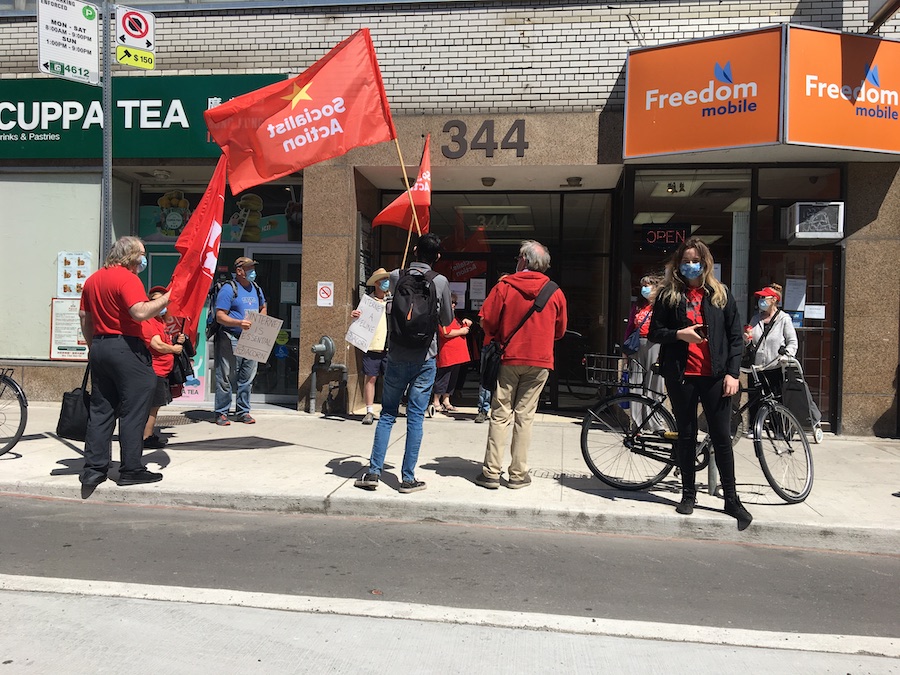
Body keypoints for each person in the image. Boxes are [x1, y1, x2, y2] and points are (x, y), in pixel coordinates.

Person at [648, 237, 752, 530]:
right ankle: (688, 494)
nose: (691, 265)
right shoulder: (669, 295)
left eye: (696, 260)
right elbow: (655, 332)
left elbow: (735, 337)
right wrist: (680, 335)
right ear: (678, 265)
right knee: (686, 435)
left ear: (705, 263)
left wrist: (733, 374)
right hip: (682, 376)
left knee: (721, 438)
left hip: (716, 377)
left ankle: (731, 499)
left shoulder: (720, 294)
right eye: (686, 261)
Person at [354, 233, 453, 493]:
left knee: (387, 414)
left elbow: (382, 294)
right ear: (438, 257)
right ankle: (407, 478)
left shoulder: (397, 276)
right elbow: (446, 321)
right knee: (416, 417)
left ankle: (374, 472)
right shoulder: (440, 281)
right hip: (425, 358)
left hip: (396, 356)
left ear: (416, 251)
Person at [474, 240, 567, 490]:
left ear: (524, 260)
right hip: (540, 361)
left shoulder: (504, 286)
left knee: (500, 413)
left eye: (518, 257)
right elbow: (560, 331)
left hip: (508, 357)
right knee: (525, 417)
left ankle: (491, 472)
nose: (516, 261)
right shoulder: (555, 292)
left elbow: (487, 322)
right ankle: (518, 474)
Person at [78, 236, 170, 487]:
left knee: (101, 409)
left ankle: (94, 468)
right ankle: (131, 468)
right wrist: (165, 299)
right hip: (126, 347)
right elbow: (139, 312)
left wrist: (92, 345)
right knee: (134, 409)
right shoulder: (128, 278)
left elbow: (84, 316)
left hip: (100, 345)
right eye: (142, 254)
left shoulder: (94, 279)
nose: (144, 259)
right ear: (130, 255)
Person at [213, 256, 267, 426]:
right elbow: (220, 316)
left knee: (247, 377)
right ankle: (222, 412)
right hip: (230, 337)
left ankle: (243, 412)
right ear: (239, 271)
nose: (253, 272)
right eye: (250, 268)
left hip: (251, 338)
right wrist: (239, 323)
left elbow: (263, 306)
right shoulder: (229, 289)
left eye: (253, 268)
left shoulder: (256, 288)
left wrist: (261, 321)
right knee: (226, 376)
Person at [745, 283, 798, 427]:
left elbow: (792, 341)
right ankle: (755, 427)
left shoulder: (784, 319)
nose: (760, 301)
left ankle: (779, 429)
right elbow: (750, 342)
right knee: (756, 398)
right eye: (759, 298)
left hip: (774, 365)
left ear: (774, 300)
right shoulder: (755, 319)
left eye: (764, 298)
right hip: (757, 367)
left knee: (775, 399)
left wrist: (787, 356)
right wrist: (747, 339)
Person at [141, 285, 187, 449]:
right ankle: (146, 437)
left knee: (155, 406)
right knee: (152, 407)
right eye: (156, 300)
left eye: (163, 301)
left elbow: (164, 342)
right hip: (154, 371)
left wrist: (176, 342)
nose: (161, 304)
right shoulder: (149, 322)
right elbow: (156, 344)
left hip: (162, 371)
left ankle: (147, 434)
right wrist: (173, 349)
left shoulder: (160, 322)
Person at [351, 267, 391, 425]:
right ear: (376, 283)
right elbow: (359, 323)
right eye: (382, 280)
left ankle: (388, 410)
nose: (386, 283)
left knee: (390, 381)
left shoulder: (392, 301)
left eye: (386, 280)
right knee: (371, 378)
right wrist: (354, 317)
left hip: (389, 347)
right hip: (372, 345)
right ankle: (369, 411)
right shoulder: (367, 302)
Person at [625, 274, 665, 432]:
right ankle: (636, 423)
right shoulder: (637, 305)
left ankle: (655, 423)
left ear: (656, 288)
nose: (644, 289)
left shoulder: (661, 306)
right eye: (643, 285)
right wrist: (625, 350)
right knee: (636, 384)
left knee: (655, 384)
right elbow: (630, 327)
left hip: (655, 344)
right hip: (637, 345)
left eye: (648, 285)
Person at [431, 293, 472, 415]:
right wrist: (461, 330)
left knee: (452, 379)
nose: (453, 305)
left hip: (457, 355)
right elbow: (446, 333)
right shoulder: (441, 316)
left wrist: (466, 324)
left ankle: (446, 400)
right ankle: (436, 401)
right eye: (451, 303)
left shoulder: (454, 317)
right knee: (443, 378)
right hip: (447, 354)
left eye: (455, 303)